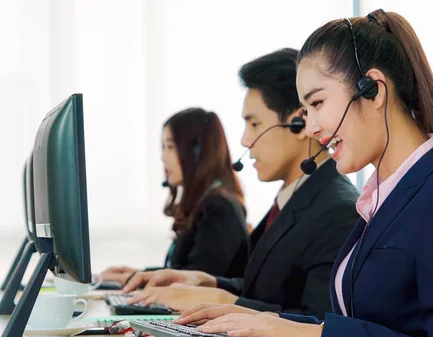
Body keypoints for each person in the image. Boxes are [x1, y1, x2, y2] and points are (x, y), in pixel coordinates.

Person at [173, 9, 433, 337]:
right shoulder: (379, 199)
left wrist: (312, 335)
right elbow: (355, 321)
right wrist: (263, 320)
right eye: (305, 110)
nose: (312, 127)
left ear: (372, 89)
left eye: (317, 104)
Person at [123, 49, 360, 317]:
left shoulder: (338, 211)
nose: (245, 141)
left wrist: (226, 302)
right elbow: (267, 292)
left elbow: (317, 323)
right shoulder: (295, 198)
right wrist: (210, 282)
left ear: (299, 123)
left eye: (255, 124)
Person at [101, 108, 250, 283]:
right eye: (163, 147)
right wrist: (139, 274)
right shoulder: (204, 204)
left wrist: (133, 279)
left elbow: (196, 280)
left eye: (170, 147)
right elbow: (184, 271)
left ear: (197, 153)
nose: (163, 157)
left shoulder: (219, 207)